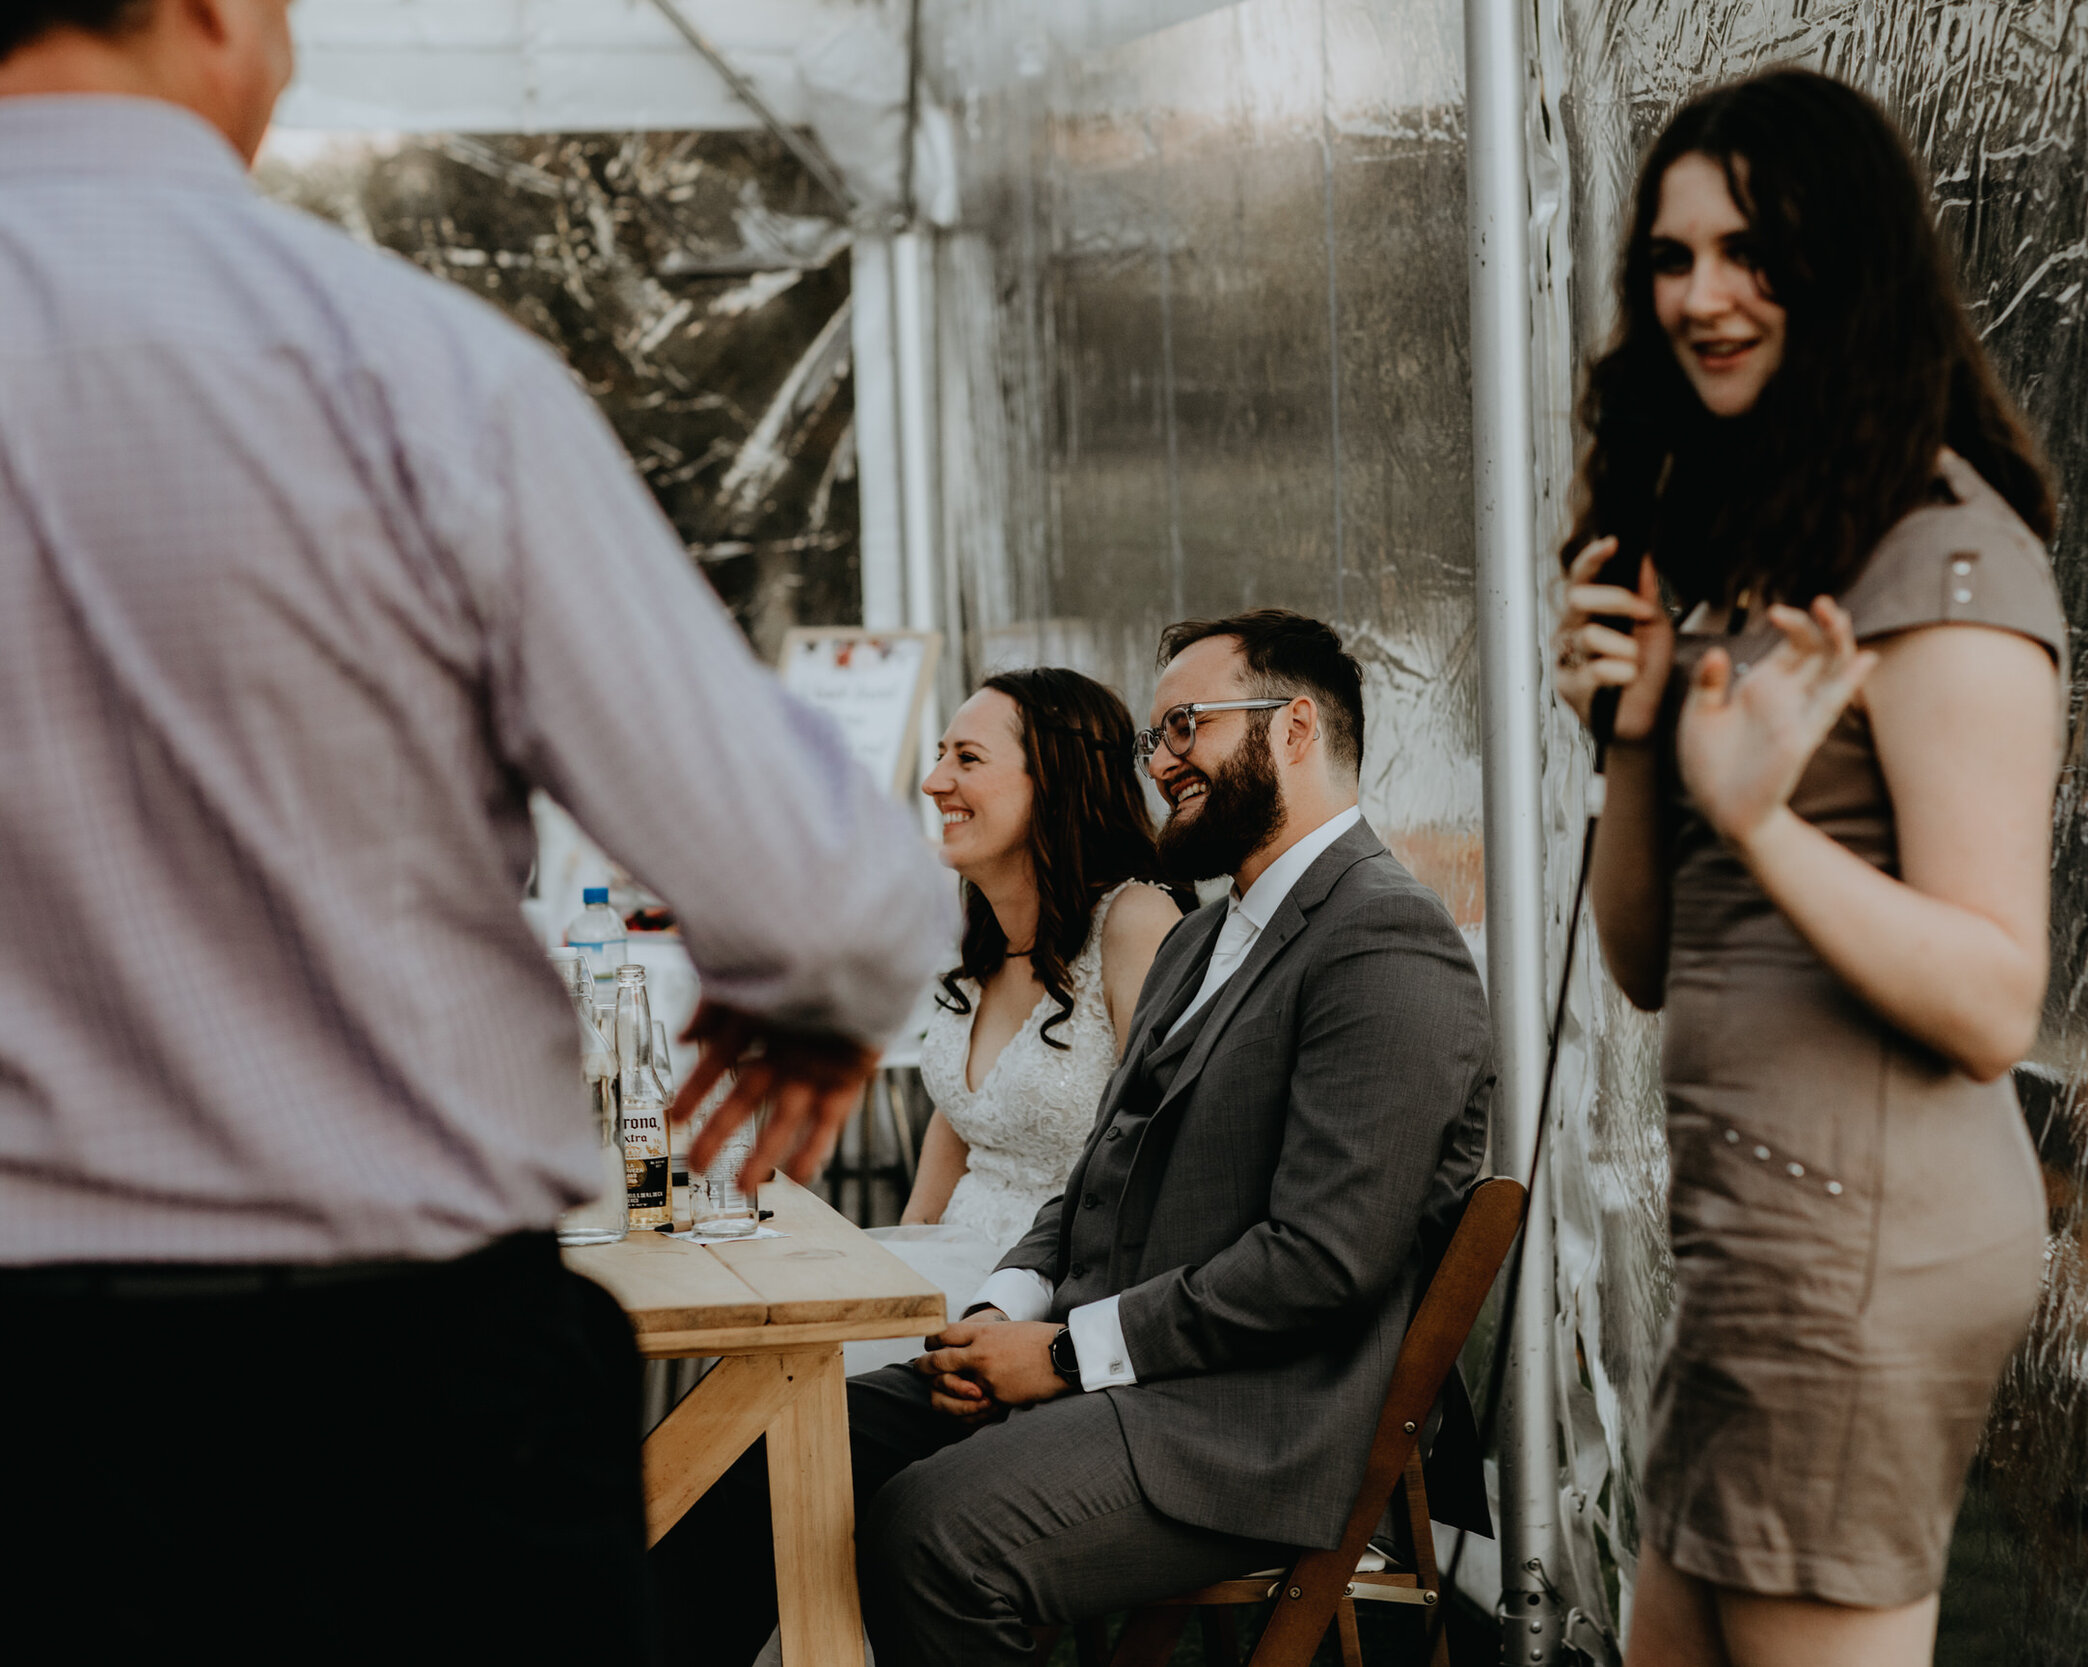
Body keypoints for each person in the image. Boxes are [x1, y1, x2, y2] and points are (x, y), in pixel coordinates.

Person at [0, 3, 953, 1660]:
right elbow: (820, 899)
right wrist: (809, 998)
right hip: (393, 1419)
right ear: (212, 14)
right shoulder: (407, 368)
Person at [656, 609, 1493, 1667]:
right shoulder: (1200, 938)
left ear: (1293, 727)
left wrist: (1060, 1353)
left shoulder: (1382, 938)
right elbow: (1099, 1169)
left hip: (1242, 1423)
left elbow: (1323, 1261)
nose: (1162, 762)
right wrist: (997, 1309)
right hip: (1119, 1370)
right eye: (1154, 738)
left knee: (929, 1531)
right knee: (762, 1454)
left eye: (1185, 726)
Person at [1550, 69, 2065, 1667]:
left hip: (1861, 1249)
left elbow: (1993, 997)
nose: (1702, 296)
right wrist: (1636, 737)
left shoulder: (1948, 568)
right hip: (1750, 1233)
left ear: (1846, 266)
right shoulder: (1769, 541)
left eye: (1750, 251)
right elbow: (1645, 960)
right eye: (1672, 256)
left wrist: (1763, 821)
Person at [848, 666, 1183, 1373]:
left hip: (1047, 1302)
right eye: (941, 755)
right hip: (949, 1271)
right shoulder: (982, 936)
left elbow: (1163, 1158)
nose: (934, 781)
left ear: (1056, 782)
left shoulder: (1135, 923)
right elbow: (958, 1125)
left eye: (966, 758)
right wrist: (896, 1280)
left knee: (801, 1383)